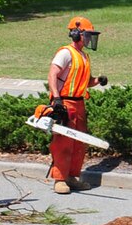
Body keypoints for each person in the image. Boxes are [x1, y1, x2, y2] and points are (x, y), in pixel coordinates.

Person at [46, 16, 108, 195]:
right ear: (76, 34)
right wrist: (56, 99)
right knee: (63, 142)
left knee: (79, 143)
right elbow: (52, 74)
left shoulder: (84, 56)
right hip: (64, 102)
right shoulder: (65, 53)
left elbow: (84, 82)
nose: (89, 39)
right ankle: (59, 178)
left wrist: (97, 81)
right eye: (87, 35)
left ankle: (72, 176)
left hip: (79, 103)